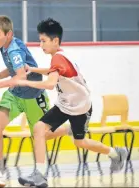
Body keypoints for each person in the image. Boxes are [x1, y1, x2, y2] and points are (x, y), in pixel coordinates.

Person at [10, 18, 128, 188]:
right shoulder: (60, 56)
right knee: (40, 131)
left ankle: (116, 153)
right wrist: (33, 69)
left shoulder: (58, 59)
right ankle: (40, 175)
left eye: (43, 41)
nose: (40, 44)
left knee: (80, 142)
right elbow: (53, 72)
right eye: (40, 40)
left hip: (80, 107)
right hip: (65, 104)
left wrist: (25, 82)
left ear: (55, 40)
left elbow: (50, 84)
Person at [0, 15, 72, 188]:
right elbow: (11, 69)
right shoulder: (5, 46)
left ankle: (69, 129)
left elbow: (20, 75)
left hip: (34, 96)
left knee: (42, 135)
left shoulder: (14, 50)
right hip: (15, 94)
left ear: (8, 34)